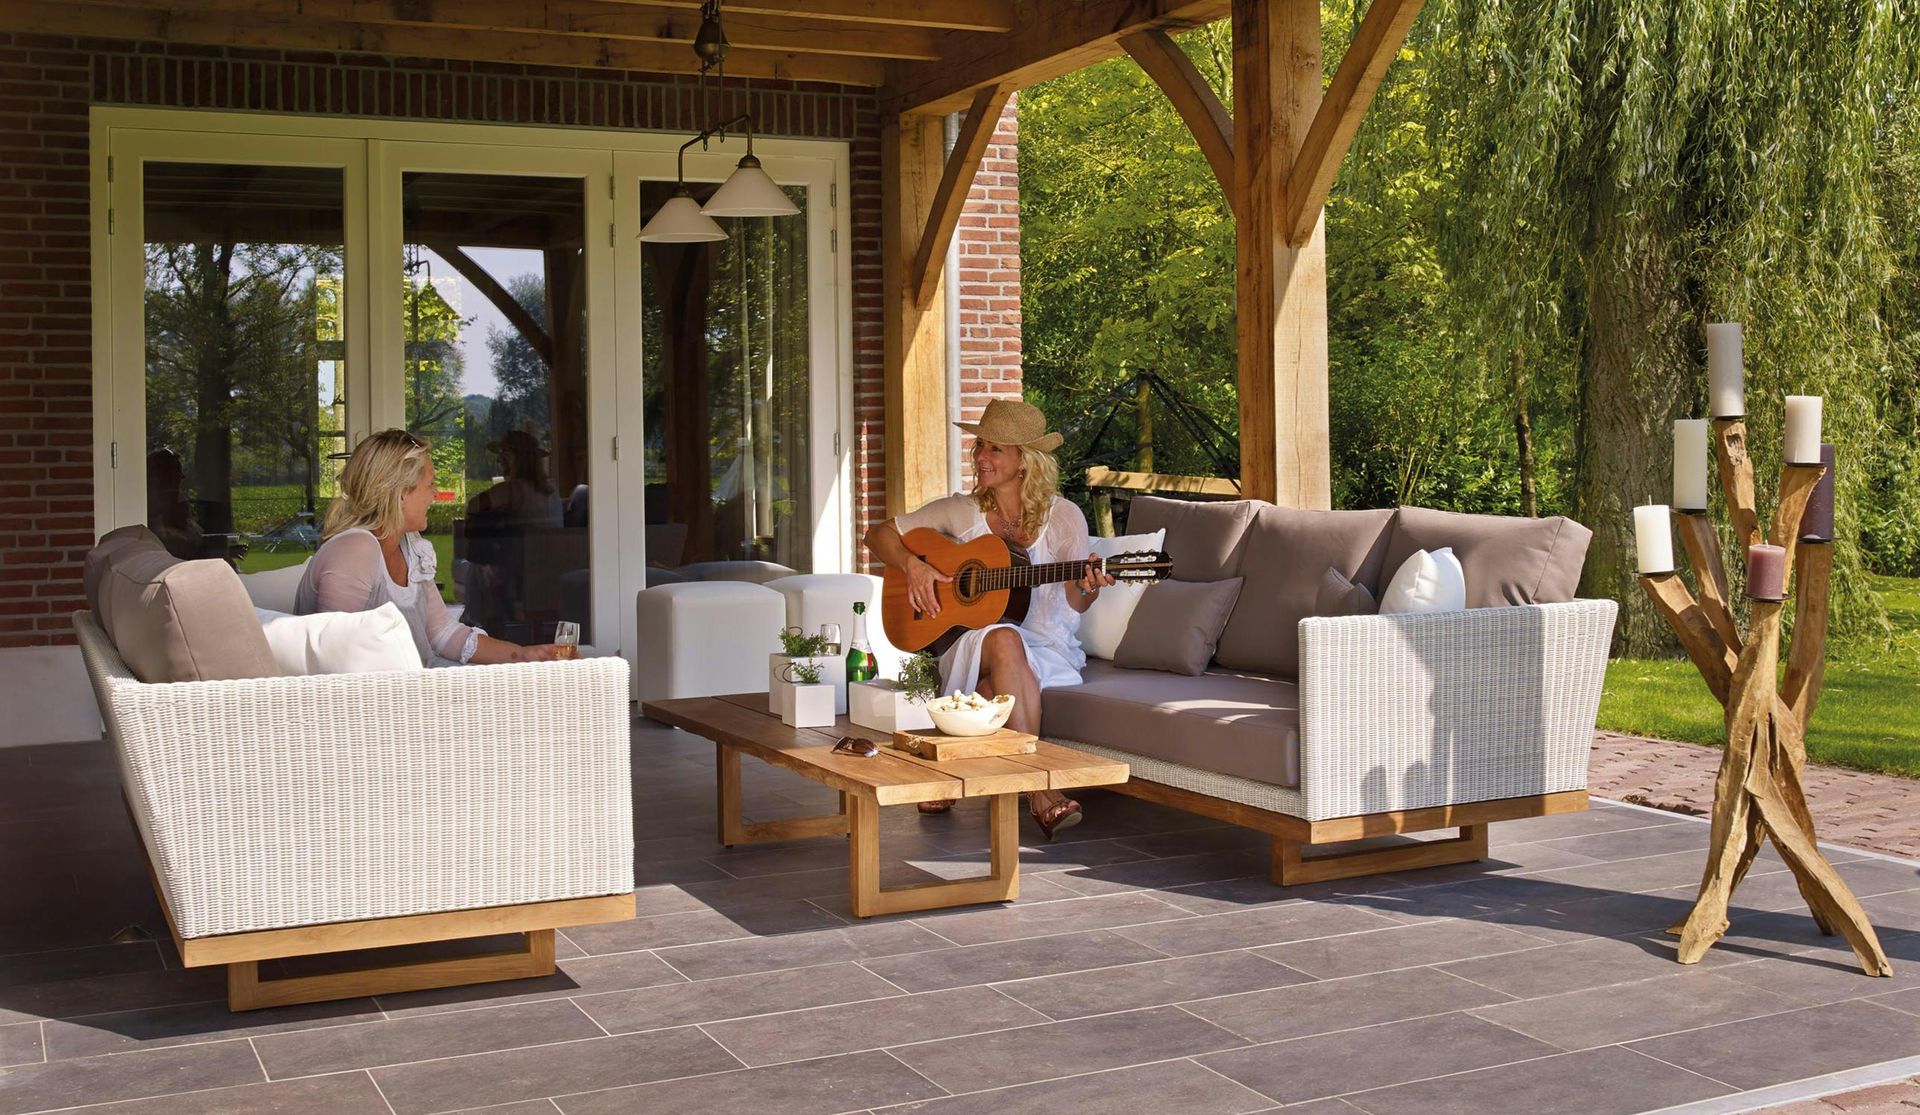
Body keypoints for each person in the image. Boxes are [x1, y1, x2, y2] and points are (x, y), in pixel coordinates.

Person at [864, 398, 1115, 839]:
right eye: (979, 444)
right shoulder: (960, 511)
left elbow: (1076, 603)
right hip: (970, 642)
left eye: (995, 448)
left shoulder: (1064, 517)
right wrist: (913, 566)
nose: (980, 456)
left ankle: (952, 771)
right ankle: (1039, 788)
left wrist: (1088, 586)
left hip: (1046, 647)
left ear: (1025, 461)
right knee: (1000, 636)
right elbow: (877, 533)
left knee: (990, 684)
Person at [297, 429, 566, 666]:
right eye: (430, 484)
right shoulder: (355, 549)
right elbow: (334, 659)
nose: (436, 494)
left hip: (411, 692)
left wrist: (523, 655)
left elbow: (442, 633)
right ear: (402, 493)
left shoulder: (410, 546)